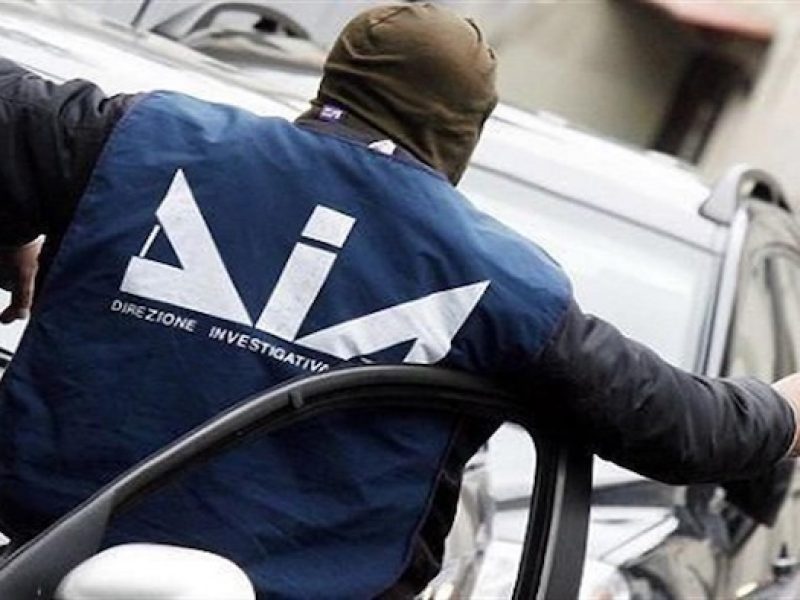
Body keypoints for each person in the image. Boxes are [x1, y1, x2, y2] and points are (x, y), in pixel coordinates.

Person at [0, 3, 798, 597]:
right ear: (464, 131)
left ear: (334, 81)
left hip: (28, 552)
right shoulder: (503, 285)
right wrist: (785, 408)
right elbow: (686, 428)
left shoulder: (134, 138)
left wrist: (14, 225)